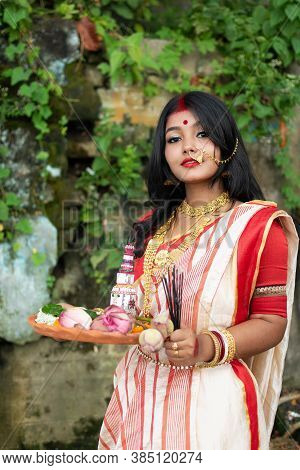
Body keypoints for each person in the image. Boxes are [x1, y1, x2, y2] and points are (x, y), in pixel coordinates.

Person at [97, 91, 299, 450]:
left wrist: (205, 345)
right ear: (164, 154)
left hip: (211, 406)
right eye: (175, 138)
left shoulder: (257, 226)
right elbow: (130, 309)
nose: (189, 147)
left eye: (202, 134)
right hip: (139, 395)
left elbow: (272, 323)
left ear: (227, 145)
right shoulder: (148, 228)